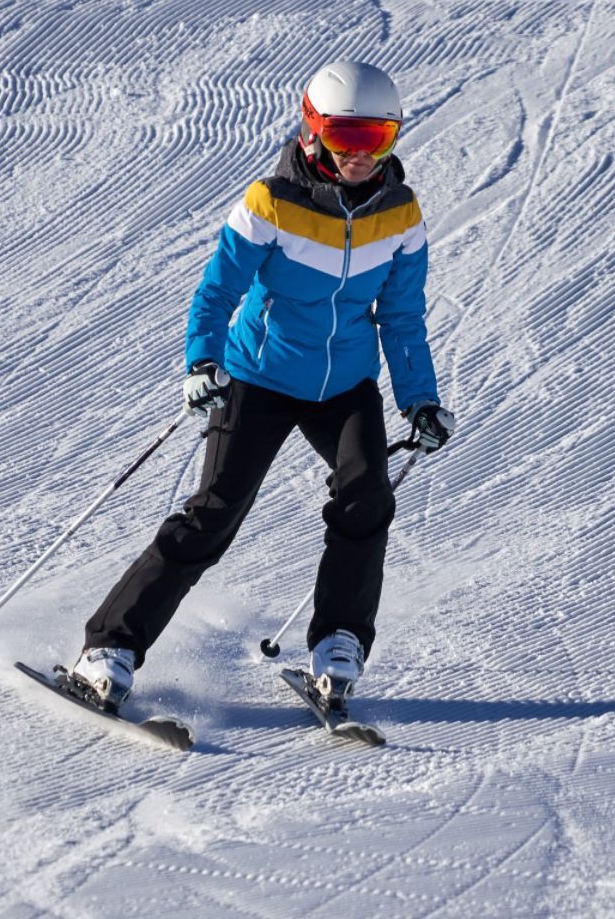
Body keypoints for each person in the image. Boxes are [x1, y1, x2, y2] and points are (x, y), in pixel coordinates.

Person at [71, 60, 455, 710]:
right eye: (345, 137)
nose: (360, 155)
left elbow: (401, 315)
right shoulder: (271, 202)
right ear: (312, 132)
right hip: (260, 375)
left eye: (376, 139)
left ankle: (338, 642)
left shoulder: (402, 213)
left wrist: (419, 398)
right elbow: (217, 291)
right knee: (214, 514)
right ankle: (109, 648)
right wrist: (202, 363)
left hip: (344, 382)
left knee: (367, 500)